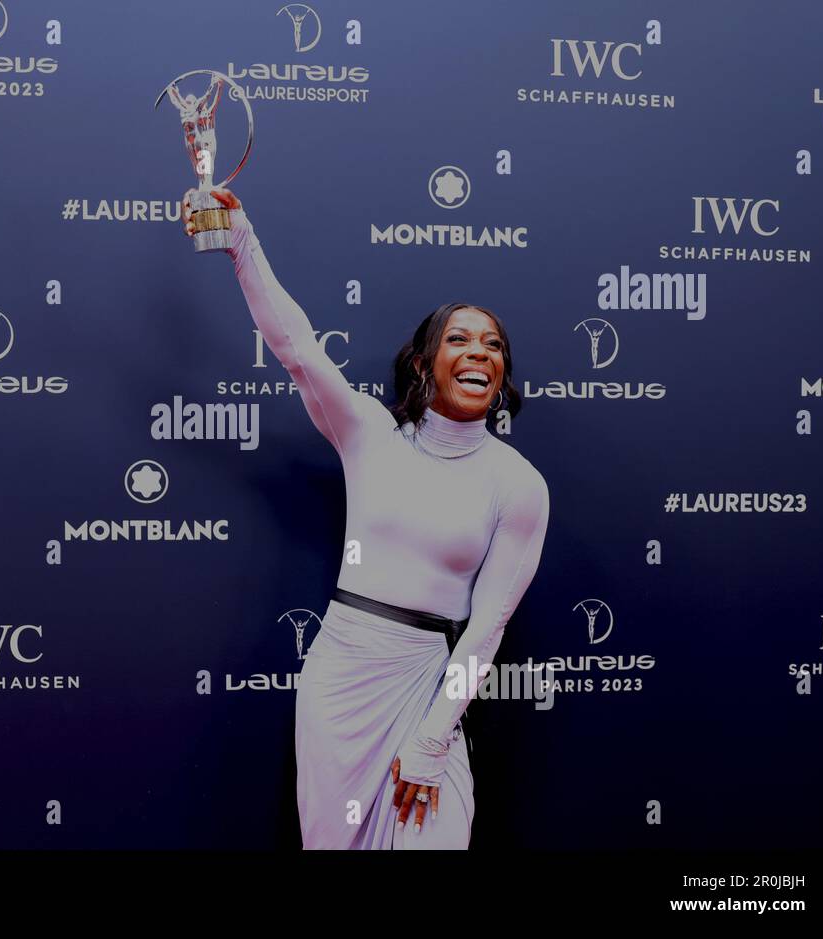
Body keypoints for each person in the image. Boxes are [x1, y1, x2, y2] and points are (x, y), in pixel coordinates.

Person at [183, 187, 551, 849]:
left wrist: (433, 737)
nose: (479, 352)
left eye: (493, 345)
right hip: (343, 677)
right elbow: (297, 348)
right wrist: (241, 242)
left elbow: (487, 626)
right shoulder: (372, 435)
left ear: (503, 372)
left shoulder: (518, 485)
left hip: (424, 685)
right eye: (459, 339)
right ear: (422, 362)